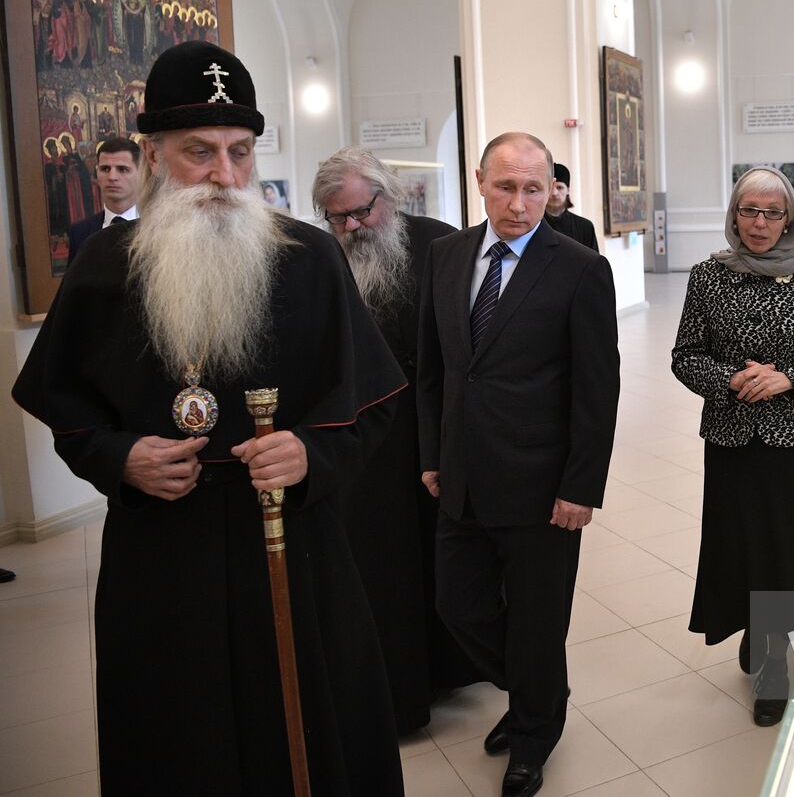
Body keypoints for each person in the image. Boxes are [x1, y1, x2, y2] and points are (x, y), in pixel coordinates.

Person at [12, 41, 407, 797]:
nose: (223, 176)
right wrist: (119, 457)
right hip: (162, 551)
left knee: (309, 734)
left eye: (239, 152)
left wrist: (310, 457)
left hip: (295, 544)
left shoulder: (311, 260)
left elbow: (370, 407)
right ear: (155, 156)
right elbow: (66, 411)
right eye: (198, 153)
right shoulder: (103, 268)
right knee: (179, 735)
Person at [419, 132, 620, 797]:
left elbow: (597, 388)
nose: (520, 203)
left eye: (534, 188)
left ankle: (534, 732)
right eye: (505, 187)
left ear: (551, 189)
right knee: (458, 605)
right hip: (462, 477)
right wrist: (431, 455)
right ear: (480, 182)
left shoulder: (578, 267)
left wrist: (581, 486)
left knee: (536, 621)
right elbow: (434, 370)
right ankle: (541, 688)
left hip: (542, 486)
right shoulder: (446, 256)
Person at [671, 165, 794, 727]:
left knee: (792, 545)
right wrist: (731, 379)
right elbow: (685, 355)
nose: (759, 223)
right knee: (744, 542)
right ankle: (758, 627)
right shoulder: (708, 277)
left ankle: (776, 658)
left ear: (789, 218)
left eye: (772, 212)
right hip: (733, 438)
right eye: (749, 211)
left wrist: (789, 380)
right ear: (733, 215)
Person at [311, 148, 471, 735]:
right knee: (383, 562)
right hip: (362, 437)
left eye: (360, 212)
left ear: (389, 198)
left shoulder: (441, 244)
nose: (351, 228)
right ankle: (399, 692)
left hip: (434, 426)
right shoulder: (320, 255)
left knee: (443, 552)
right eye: (337, 217)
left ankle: (451, 666)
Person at [67, 135, 141, 261]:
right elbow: (73, 281)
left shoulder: (159, 229)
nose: (112, 177)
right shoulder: (80, 233)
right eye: (105, 169)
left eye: (122, 169)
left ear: (141, 173)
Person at [542, 162, 599, 251]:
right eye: (550, 187)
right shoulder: (533, 225)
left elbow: (595, 263)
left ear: (568, 190)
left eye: (559, 187)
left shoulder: (584, 227)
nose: (554, 193)